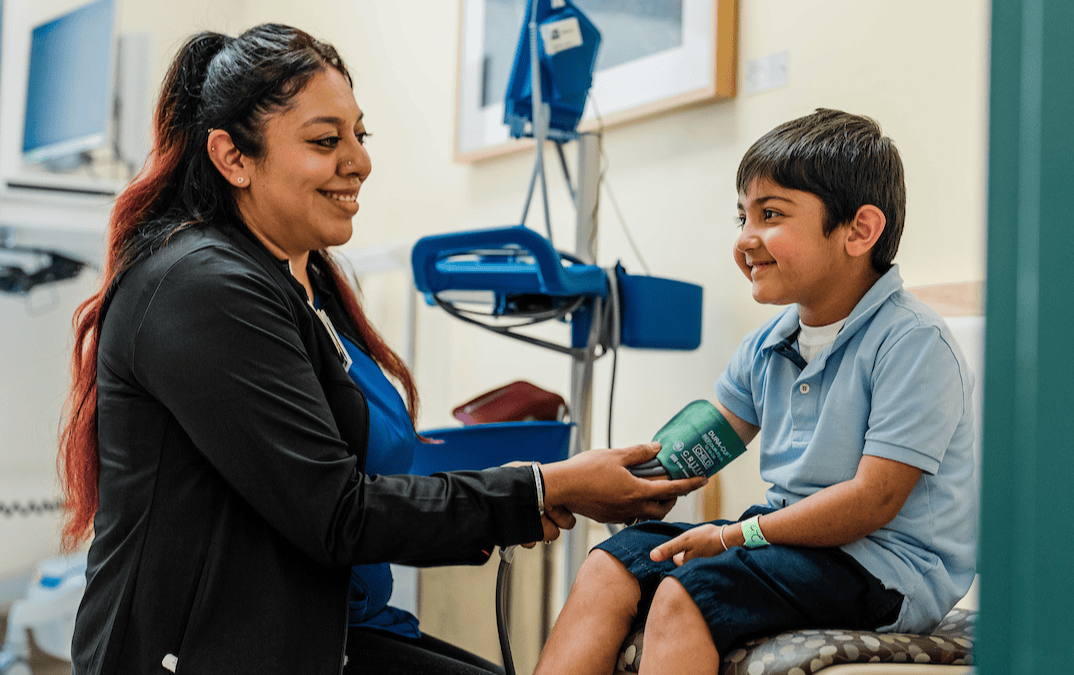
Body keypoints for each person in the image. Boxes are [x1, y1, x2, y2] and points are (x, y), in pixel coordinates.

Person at [57, 24, 705, 675]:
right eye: (324, 140)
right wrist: (539, 488)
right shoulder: (200, 287)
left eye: (359, 135)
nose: (358, 160)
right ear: (232, 157)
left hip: (329, 626)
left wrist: (529, 486)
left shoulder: (303, 279)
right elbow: (336, 511)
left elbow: (358, 473)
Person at [533, 109, 978, 675]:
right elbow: (694, 450)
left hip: (886, 569)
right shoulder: (769, 344)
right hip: (793, 543)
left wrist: (734, 536)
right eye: (741, 216)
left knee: (689, 591)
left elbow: (872, 502)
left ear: (859, 231)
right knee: (610, 565)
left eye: (770, 214)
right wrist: (586, 488)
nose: (745, 239)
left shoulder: (913, 343)